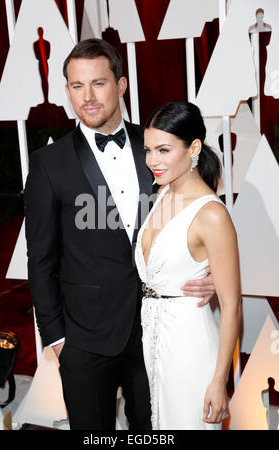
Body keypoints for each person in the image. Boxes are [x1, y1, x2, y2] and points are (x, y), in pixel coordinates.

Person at [24, 39, 216, 430]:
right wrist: (57, 339)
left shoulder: (157, 147)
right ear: (66, 91)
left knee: (154, 430)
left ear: (121, 85)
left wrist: (210, 273)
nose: (87, 97)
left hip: (157, 328)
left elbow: (197, 212)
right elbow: (40, 259)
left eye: (98, 83)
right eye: (77, 86)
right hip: (84, 338)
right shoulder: (48, 164)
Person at [135, 100, 242, 430]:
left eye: (164, 150)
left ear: (194, 147)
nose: (153, 161)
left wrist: (218, 381)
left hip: (190, 346)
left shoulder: (212, 214)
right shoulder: (161, 193)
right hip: (152, 339)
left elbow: (232, 306)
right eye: (149, 150)